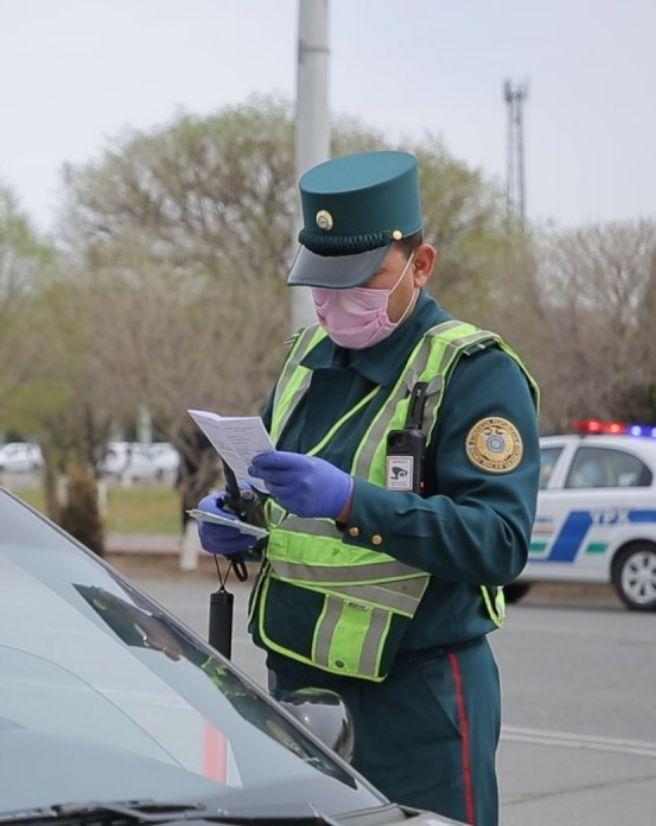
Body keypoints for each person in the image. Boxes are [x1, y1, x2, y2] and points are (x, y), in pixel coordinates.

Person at [196, 150, 539, 826]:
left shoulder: (472, 371)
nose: (336, 302)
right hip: (295, 687)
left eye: (364, 280)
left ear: (421, 264)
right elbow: (271, 489)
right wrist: (238, 514)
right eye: (323, 283)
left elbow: (499, 543)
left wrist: (356, 502)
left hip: (415, 697)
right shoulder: (303, 358)